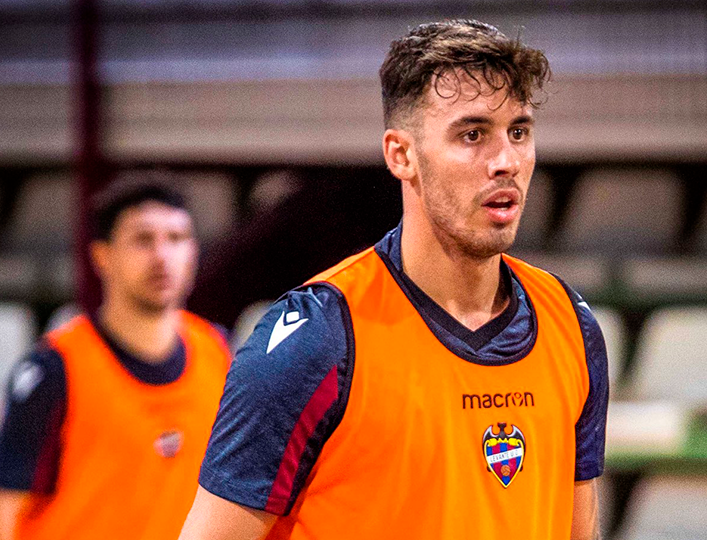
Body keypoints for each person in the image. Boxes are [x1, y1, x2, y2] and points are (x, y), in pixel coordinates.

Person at [180, 19, 608, 540]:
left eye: (518, 132)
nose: (506, 162)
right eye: (473, 135)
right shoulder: (315, 340)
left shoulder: (571, 324)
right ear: (401, 155)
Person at [0, 177, 231, 540]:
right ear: (102, 256)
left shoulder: (218, 351)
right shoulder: (54, 368)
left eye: (176, 238)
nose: (162, 256)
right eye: (143, 240)